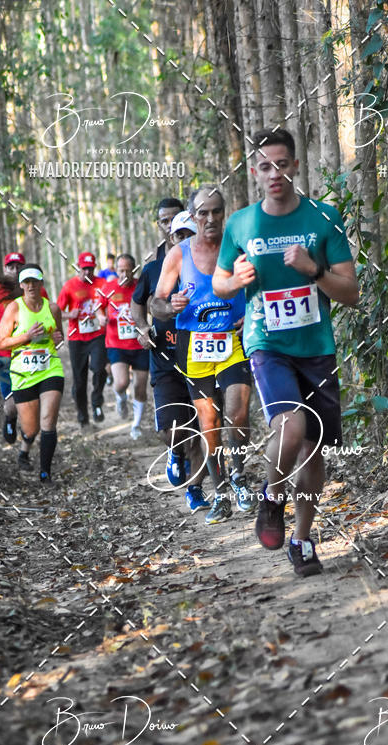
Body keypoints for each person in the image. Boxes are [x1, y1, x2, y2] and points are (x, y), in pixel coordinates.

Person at [213, 128, 359, 576]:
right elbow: (220, 283)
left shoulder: (323, 218)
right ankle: (272, 497)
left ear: (296, 166)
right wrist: (235, 280)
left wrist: (313, 269)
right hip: (266, 342)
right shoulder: (240, 224)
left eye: (281, 164)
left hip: (316, 346)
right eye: (264, 166)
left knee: (314, 452)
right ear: (255, 173)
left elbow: (350, 292)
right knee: (290, 428)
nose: (274, 174)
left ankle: (302, 540)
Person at [153, 185, 255, 525]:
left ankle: (239, 476)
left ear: (223, 213)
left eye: (215, 211)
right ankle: (220, 490)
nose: (210, 218)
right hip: (193, 343)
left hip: (233, 338)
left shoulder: (238, 244)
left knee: (238, 411)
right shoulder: (178, 254)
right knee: (209, 421)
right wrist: (170, 306)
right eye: (203, 213)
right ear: (193, 217)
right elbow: (156, 301)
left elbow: (262, 284)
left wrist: (252, 313)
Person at [131, 200, 208, 511]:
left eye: (178, 221)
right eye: (165, 221)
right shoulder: (152, 269)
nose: (171, 226)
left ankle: (196, 490)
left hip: (203, 356)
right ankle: (176, 452)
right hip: (165, 359)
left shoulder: (209, 261)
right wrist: (143, 328)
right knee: (171, 431)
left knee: (203, 427)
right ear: (163, 227)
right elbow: (140, 304)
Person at [0, 264, 64, 483]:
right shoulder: (14, 309)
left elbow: (58, 335)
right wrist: (26, 336)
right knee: (31, 429)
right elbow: (1, 342)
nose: (31, 285)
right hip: (23, 373)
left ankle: (45, 472)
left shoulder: (52, 308)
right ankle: (14, 422)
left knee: (48, 421)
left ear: (41, 283)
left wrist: (57, 339)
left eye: (35, 281)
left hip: (49, 367)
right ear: (22, 285)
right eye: (27, 282)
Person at [0, 252, 49, 444]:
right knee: (11, 404)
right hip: (5, 355)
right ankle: (10, 418)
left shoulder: (38, 290)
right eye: (11, 267)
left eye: (19, 267)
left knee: (33, 403)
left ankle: (26, 445)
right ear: (4, 269)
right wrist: (2, 328)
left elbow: (47, 317)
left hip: (33, 353)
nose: (15, 271)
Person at [96, 254, 148, 440]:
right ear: (115, 270)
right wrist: (101, 317)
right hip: (116, 343)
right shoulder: (109, 288)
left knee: (140, 387)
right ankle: (121, 398)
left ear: (134, 270)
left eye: (128, 270)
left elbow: (150, 306)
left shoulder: (140, 287)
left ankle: (136, 425)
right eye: (121, 270)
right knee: (121, 383)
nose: (124, 274)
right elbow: (98, 306)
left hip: (139, 343)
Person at [57, 252, 106, 425]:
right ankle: (83, 415)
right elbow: (56, 311)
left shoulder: (102, 284)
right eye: (84, 269)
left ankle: (97, 402)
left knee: (99, 369)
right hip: (76, 337)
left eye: (90, 269)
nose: (87, 272)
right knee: (79, 380)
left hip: (98, 335)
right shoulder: (69, 286)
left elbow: (112, 304)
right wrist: (70, 314)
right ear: (78, 268)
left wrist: (104, 315)